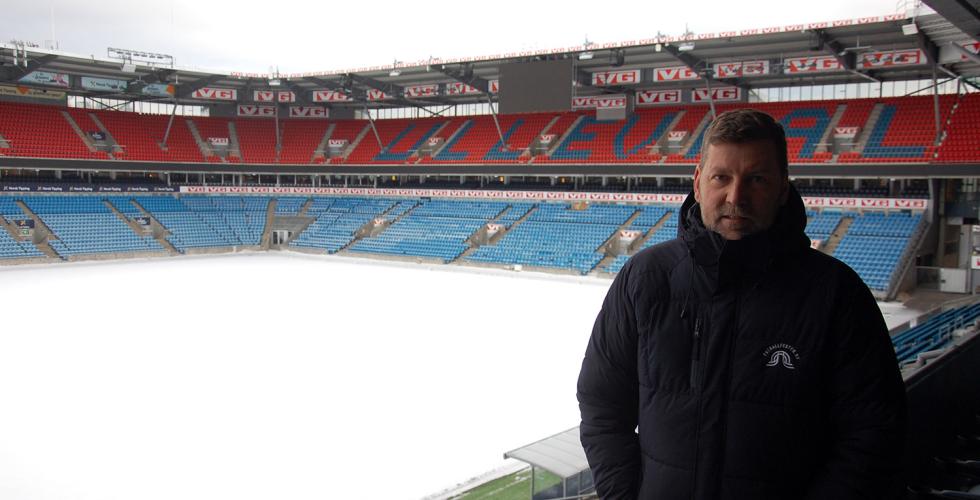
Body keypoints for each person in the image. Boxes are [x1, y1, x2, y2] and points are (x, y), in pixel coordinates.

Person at [577, 109, 907, 500]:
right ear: (698, 183)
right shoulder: (645, 278)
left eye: (757, 179)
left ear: (783, 188)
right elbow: (603, 405)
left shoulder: (837, 295)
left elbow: (873, 433)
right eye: (722, 177)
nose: (737, 197)